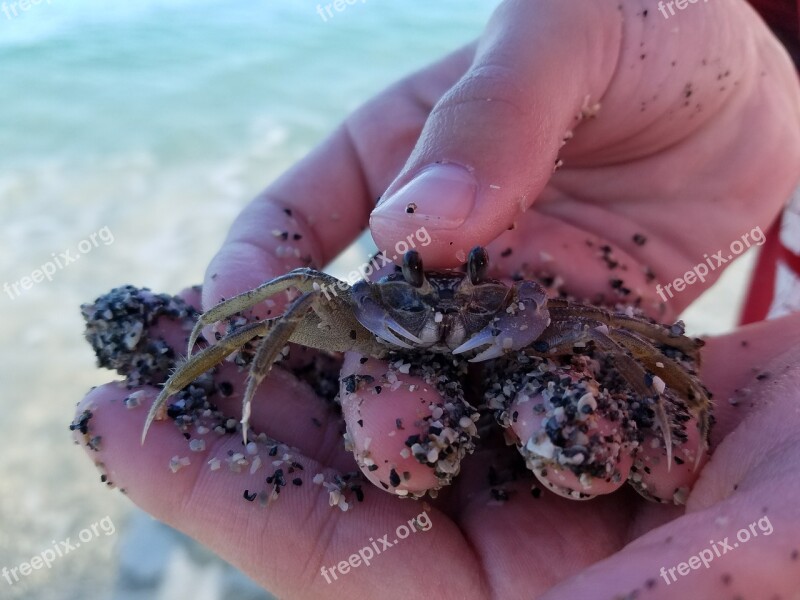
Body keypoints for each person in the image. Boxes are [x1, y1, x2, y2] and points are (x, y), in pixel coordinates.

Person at [75, 1, 800, 597]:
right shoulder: (346, 310)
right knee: (270, 307)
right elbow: (284, 299)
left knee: (629, 340)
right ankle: (208, 402)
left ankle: (682, 432)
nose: (446, 319)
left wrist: (679, 388)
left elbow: (637, 337)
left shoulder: (539, 313)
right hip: (380, 322)